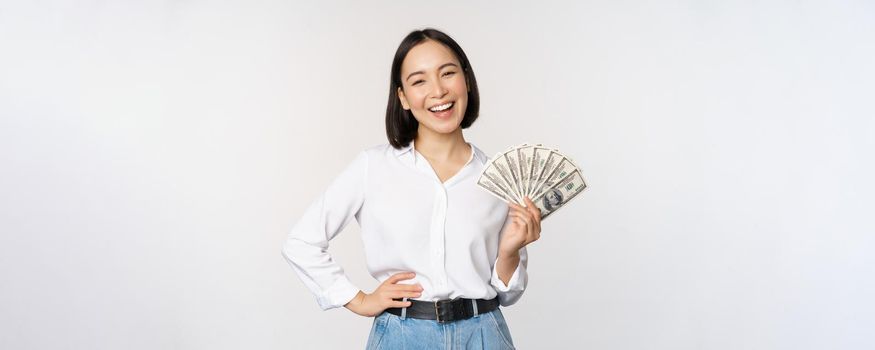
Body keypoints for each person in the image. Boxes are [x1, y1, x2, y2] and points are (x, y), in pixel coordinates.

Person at [281, 28, 543, 350]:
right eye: (419, 81)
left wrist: (509, 251)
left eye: (448, 73)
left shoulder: (500, 179)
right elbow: (301, 242)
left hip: (484, 335)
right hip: (402, 337)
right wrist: (359, 299)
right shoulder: (372, 166)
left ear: (467, 81)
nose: (438, 91)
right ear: (403, 97)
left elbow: (508, 294)